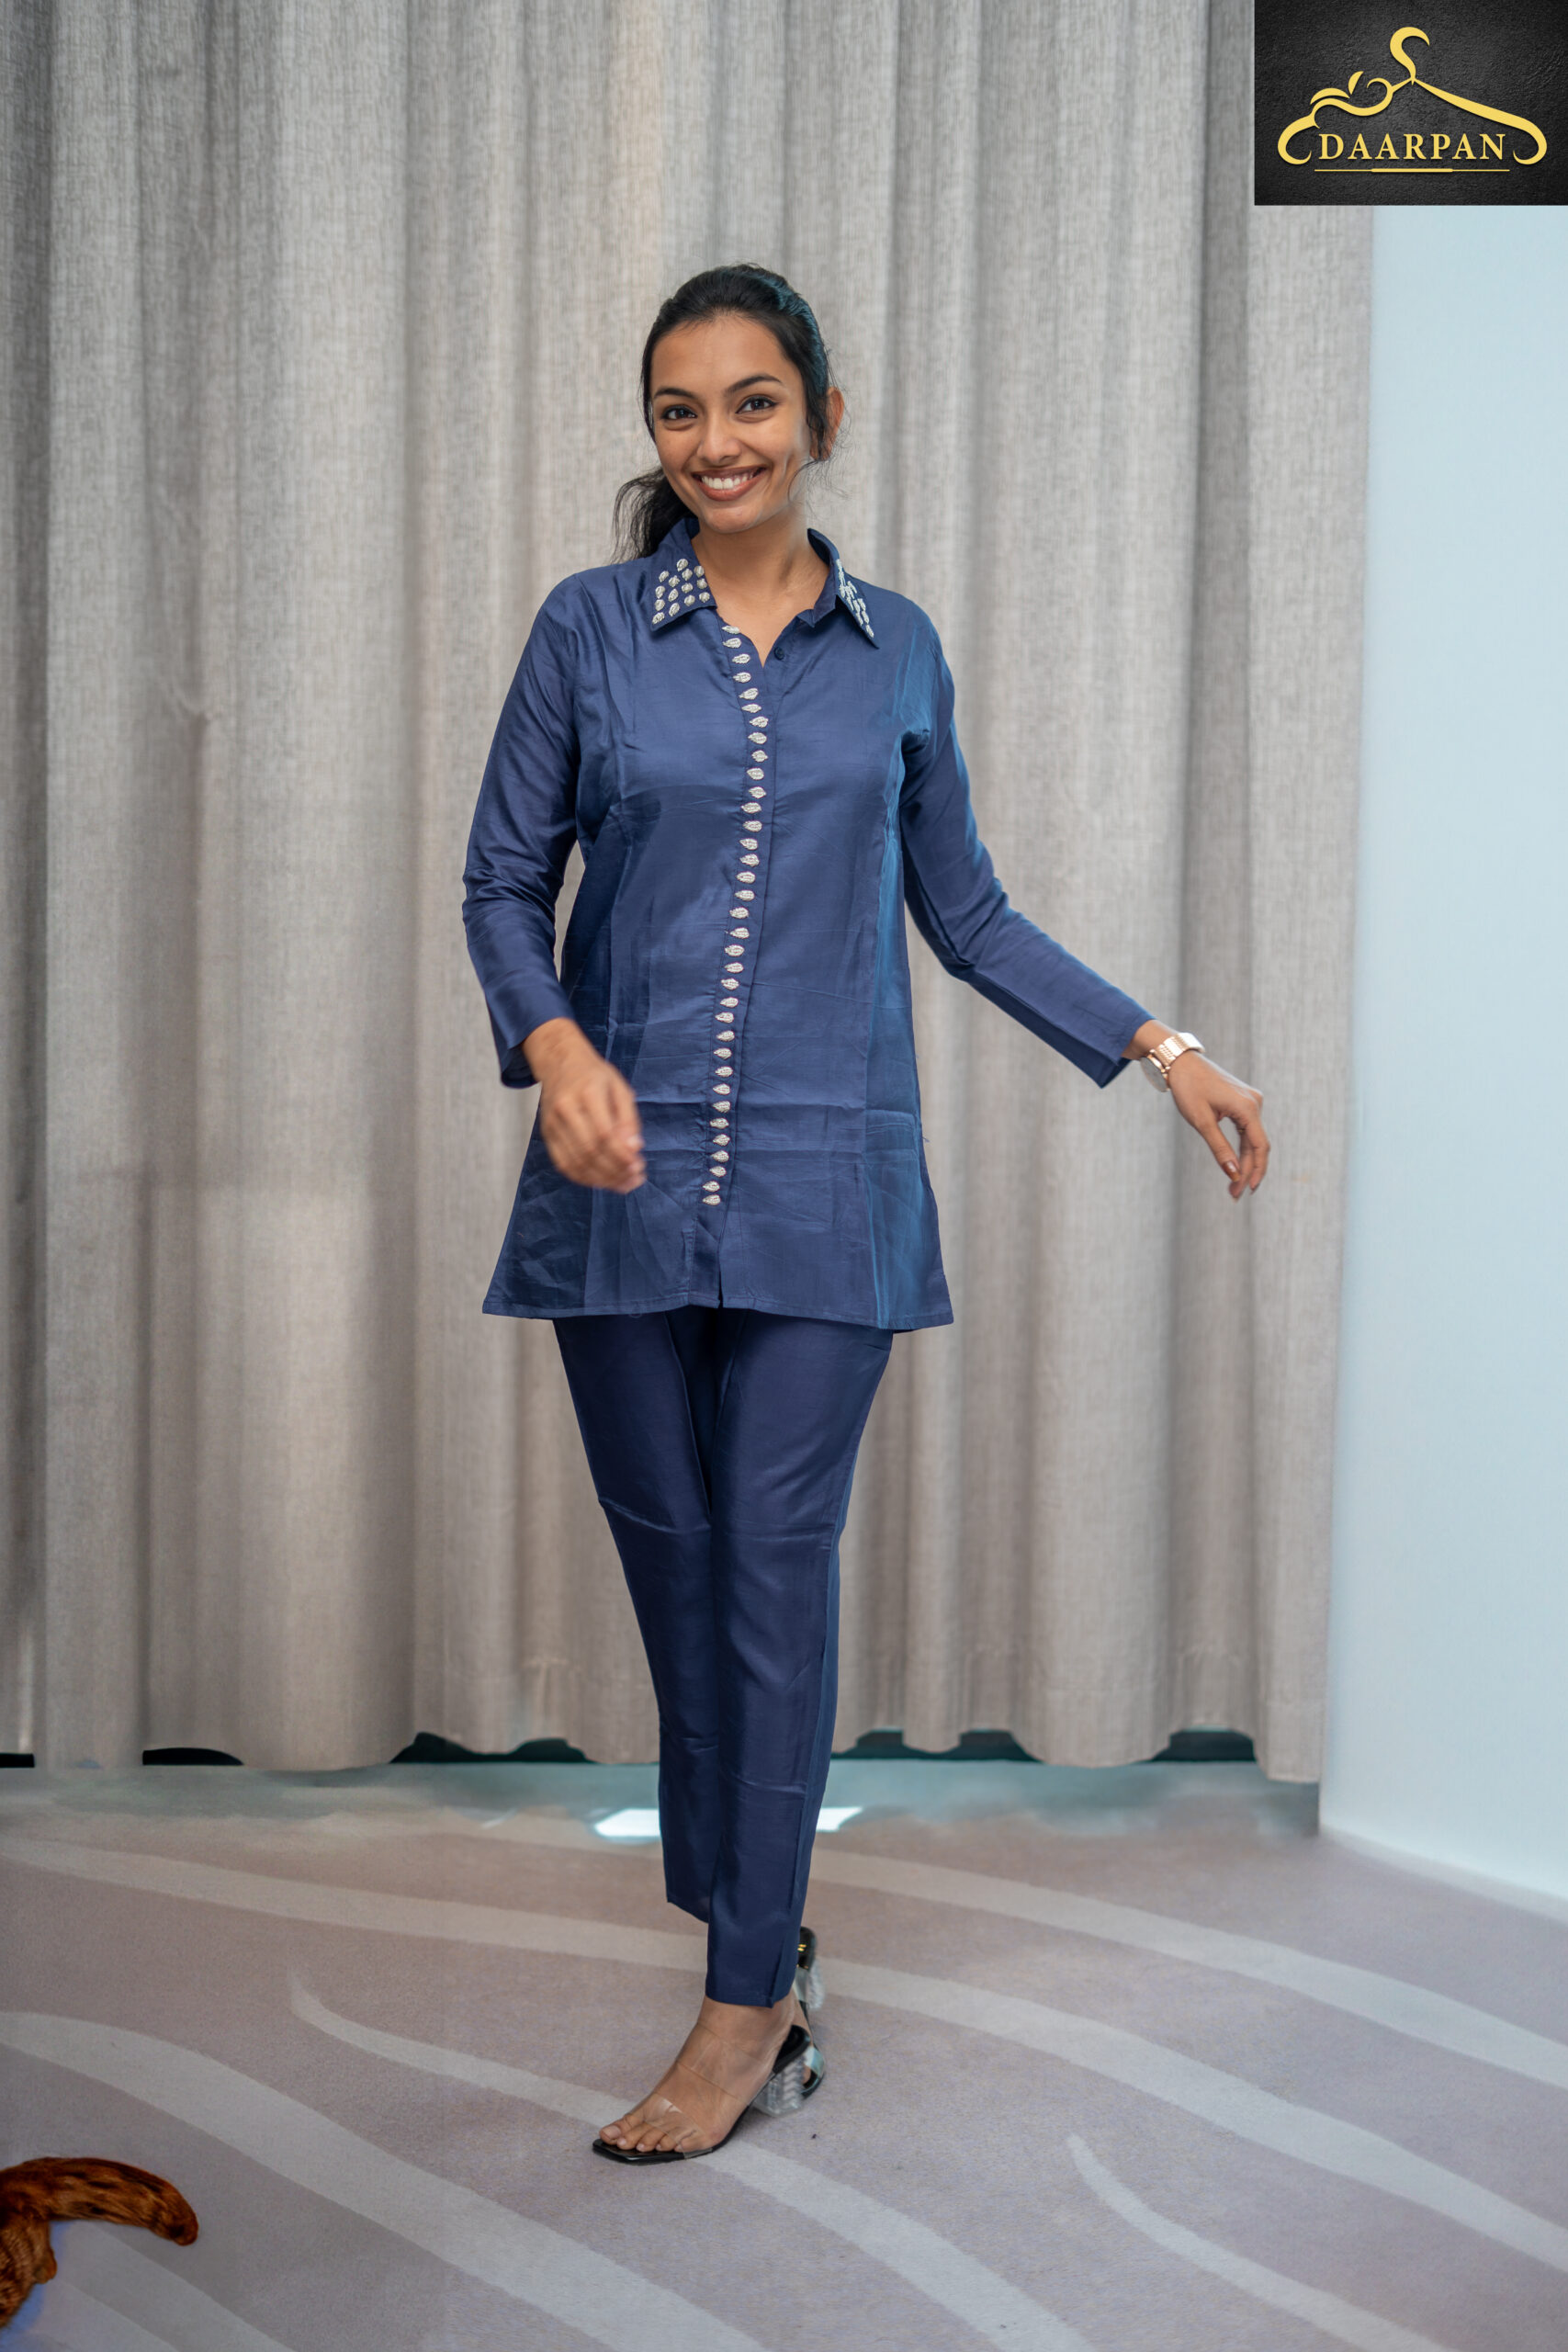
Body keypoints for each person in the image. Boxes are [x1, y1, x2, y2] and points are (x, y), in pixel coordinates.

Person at [462, 265, 1269, 2164]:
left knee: (771, 1563)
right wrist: (555, 1043)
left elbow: (963, 910)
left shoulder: (896, 651)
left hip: (830, 1181)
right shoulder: (588, 630)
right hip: (619, 1183)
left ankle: (743, 1999)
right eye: (680, 410)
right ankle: (752, 1906)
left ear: (822, 416)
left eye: (752, 403)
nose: (717, 442)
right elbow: (501, 881)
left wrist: (1159, 1044)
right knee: (676, 1572)